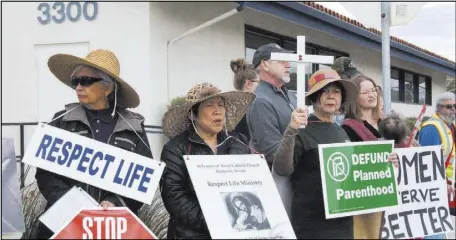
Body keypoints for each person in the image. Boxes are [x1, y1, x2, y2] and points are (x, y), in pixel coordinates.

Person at [35, 49, 153, 238]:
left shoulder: (134, 127)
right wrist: (71, 201)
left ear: (108, 88)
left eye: (87, 81)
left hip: (113, 226)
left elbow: (144, 181)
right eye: (77, 81)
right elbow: (44, 173)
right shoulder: (61, 120)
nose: (79, 87)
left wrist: (114, 202)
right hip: (65, 223)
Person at [160, 83, 255, 239]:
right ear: (192, 114)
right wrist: (215, 220)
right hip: (190, 234)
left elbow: (252, 184)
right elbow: (174, 196)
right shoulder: (176, 149)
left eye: (220, 105)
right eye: (209, 106)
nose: (217, 111)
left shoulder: (239, 143)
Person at [273, 68, 358, 238]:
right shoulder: (301, 129)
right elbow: (282, 169)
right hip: (312, 225)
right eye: (324, 91)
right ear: (314, 97)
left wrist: (387, 162)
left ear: (342, 98)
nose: (331, 96)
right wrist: (291, 131)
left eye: (336, 91)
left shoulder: (341, 131)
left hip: (344, 223)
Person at [247, 43, 296, 217]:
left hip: (296, 180)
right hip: (278, 183)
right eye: (282, 60)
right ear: (265, 65)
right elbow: (272, 152)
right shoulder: (259, 100)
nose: (288, 65)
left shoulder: (290, 95)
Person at [418, 92, 456, 238]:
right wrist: (441, 183)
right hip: (433, 187)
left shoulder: (450, 125)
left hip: (445, 184)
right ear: (438, 108)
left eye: (455, 106)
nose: (453, 109)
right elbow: (427, 162)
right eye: (449, 106)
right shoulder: (431, 128)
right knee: (433, 227)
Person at [230, 59, 260, 142]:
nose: (261, 85)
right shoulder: (252, 108)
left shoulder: (230, 106)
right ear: (248, 84)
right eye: (259, 82)